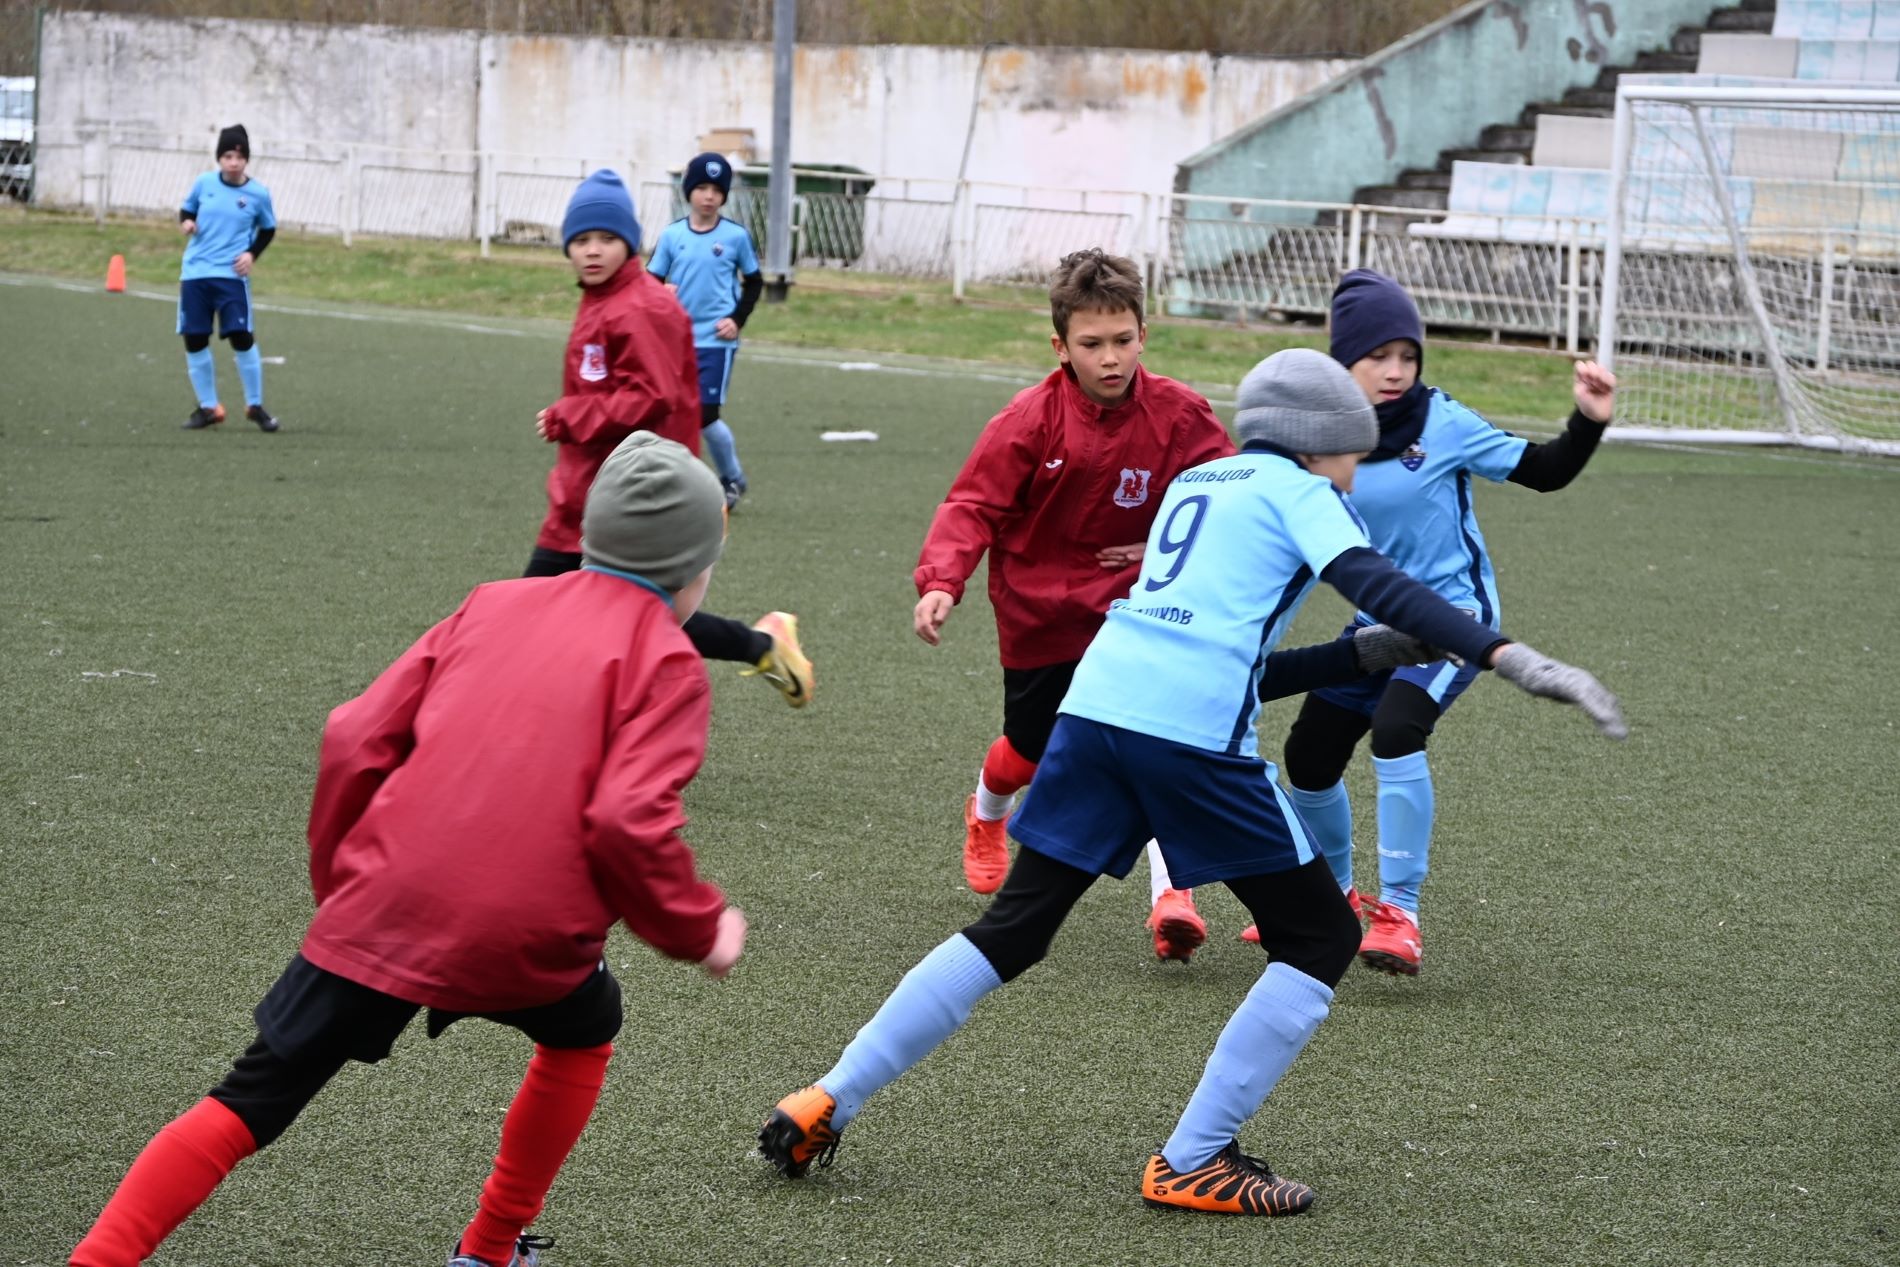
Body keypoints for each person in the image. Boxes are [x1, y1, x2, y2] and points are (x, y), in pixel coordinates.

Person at [757, 349, 1626, 1216]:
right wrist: (1506, 654)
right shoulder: (1302, 493)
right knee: (1321, 936)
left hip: (1098, 710)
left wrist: (1355, 655)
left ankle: (827, 1097)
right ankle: (1194, 1157)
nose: (1353, 476)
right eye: (1350, 455)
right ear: (1318, 445)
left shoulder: (1201, 481)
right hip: (1187, 740)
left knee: (1013, 929)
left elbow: (1218, 649)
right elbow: (1377, 583)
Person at [69, 431, 749, 1267]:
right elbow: (626, 821)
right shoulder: (669, 660)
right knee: (585, 1028)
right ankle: (490, 1249)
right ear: (691, 570)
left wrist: (341, 886)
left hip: (382, 909)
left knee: (248, 1099)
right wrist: (700, 927)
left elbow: (353, 737)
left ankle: (96, 1258)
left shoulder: (493, 601)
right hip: (527, 937)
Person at [1172, 269, 1616, 972]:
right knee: (1310, 756)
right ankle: (1338, 896)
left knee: (1397, 729)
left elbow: (1545, 470)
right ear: (1340, 363)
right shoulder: (1314, 440)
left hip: (1455, 621)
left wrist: (1587, 419)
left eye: (1407, 356)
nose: (1396, 371)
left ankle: (1401, 913)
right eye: (1378, 355)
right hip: (1371, 627)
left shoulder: (1443, 421)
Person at [912, 247, 1232, 911]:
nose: (1111, 358)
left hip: (1141, 609)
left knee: (1157, 743)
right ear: (1061, 346)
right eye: (1092, 344)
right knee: (1029, 750)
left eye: (1123, 340)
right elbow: (973, 505)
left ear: (1144, 333)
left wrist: (1161, 545)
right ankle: (988, 810)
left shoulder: (1180, 415)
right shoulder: (1028, 421)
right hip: (1043, 615)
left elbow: (1228, 494)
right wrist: (943, 579)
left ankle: (1174, 895)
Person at [529, 167, 812, 708]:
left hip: (623, 501)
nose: (592, 251)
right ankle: (762, 646)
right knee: (631, 618)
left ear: (630, 243)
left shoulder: (638, 306)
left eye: (607, 239)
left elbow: (649, 398)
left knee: (545, 615)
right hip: (594, 494)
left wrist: (572, 416)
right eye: (581, 240)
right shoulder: (606, 299)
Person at [647, 152, 764, 510]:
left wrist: (737, 320)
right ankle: (673, 483)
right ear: (689, 192)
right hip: (677, 342)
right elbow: (650, 281)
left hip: (716, 341)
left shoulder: (735, 237)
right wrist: (660, 293)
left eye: (717, 189)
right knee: (669, 412)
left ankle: (731, 479)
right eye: (702, 187)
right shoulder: (672, 236)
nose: (709, 196)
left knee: (706, 414)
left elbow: (754, 282)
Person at [177, 123, 278, 432]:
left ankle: (255, 405)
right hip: (196, 273)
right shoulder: (204, 183)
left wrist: (251, 254)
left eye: (239, 156)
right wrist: (188, 223)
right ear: (219, 158)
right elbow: (187, 210)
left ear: (247, 159)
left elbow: (268, 228)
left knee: (241, 337)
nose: (233, 162)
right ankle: (209, 408)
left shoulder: (258, 194)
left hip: (230, 277)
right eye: (228, 155)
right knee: (195, 338)